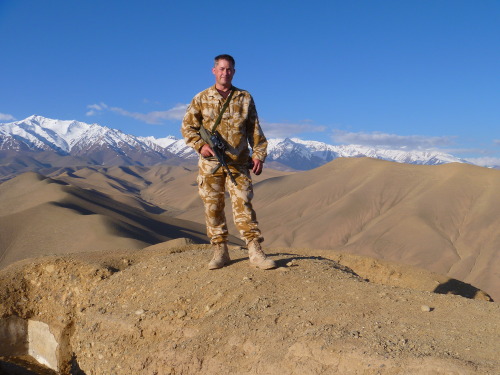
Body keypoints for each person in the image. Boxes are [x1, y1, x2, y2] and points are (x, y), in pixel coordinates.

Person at [181, 54, 276, 270]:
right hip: (210, 164)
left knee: (244, 204)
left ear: (234, 71)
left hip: (239, 163)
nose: (226, 73)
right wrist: (200, 145)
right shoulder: (201, 98)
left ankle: (255, 250)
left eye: (229, 69)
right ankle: (220, 251)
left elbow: (254, 129)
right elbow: (188, 127)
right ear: (214, 71)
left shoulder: (244, 98)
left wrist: (258, 155)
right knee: (212, 207)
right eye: (222, 69)